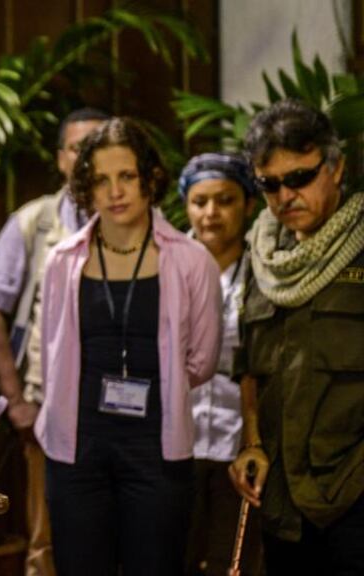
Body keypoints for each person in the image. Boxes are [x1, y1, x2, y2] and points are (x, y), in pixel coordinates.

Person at [36, 117, 221, 575]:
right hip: (77, 450)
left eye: (126, 176)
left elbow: (201, 358)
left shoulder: (191, 259)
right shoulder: (62, 261)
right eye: (100, 180)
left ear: (149, 179)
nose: (114, 191)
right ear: (85, 187)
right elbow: (52, 351)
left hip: (156, 449)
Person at [229, 99, 364, 576]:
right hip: (283, 496)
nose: (286, 195)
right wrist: (252, 442)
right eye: (270, 184)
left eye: (300, 178)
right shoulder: (261, 255)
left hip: (354, 497)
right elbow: (248, 363)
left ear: (336, 167)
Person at [0, 107, 107, 576]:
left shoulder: (139, 223)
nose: (89, 159)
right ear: (61, 158)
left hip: (122, 412)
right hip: (45, 409)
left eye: (99, 146)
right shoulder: (33, 222)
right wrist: (15, 398)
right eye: (79, 148)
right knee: (46, 540)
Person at [179, 153, 262, 576]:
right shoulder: (168, 267)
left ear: (249, 204)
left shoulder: (268, 270)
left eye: (224, 200)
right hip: (178, 446)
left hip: (239, 448)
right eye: (199, 201)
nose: (210, 213)